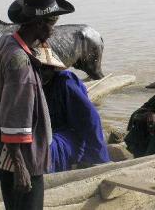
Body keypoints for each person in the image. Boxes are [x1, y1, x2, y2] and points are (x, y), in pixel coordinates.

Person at [0, 0, 74, 210]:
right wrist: (21, 168)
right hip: (23, 158)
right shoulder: (21, 64)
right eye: (52, 23)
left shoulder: (5, 44)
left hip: (2, 154)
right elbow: (15, 117)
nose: (53, 30)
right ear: (38, 24)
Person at [35, 44, 110, 172]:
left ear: (53, 68)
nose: (40, 73)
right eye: (37, 68)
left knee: (46, 149)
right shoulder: (32, 84)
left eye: (45, 68)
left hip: (71, 136)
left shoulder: (66, 83)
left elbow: (90, 119)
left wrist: (95, 158)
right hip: (48, 133)